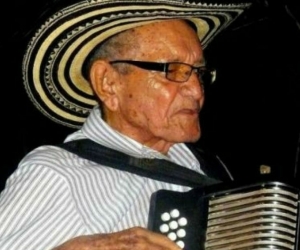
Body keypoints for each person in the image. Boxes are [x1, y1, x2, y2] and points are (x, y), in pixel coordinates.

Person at [0, 0, 251, 249]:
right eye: (173, 70)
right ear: (108, 82)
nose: (196, 90)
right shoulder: (58, 172)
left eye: (199, 72)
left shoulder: (214, 171)